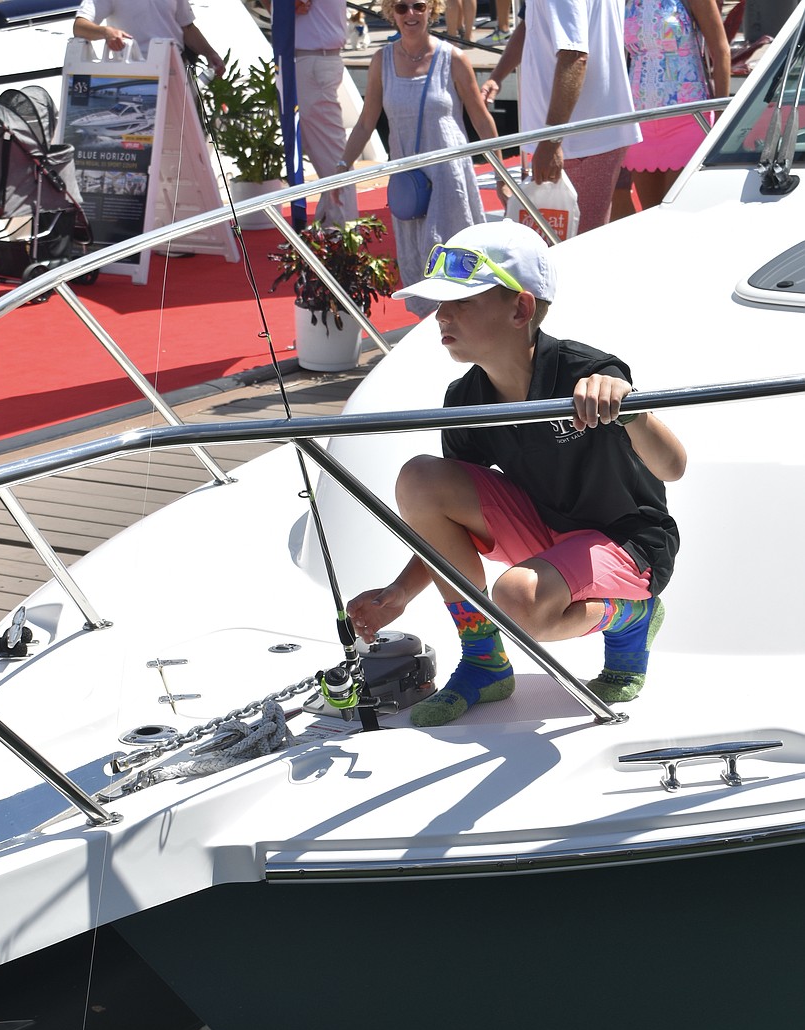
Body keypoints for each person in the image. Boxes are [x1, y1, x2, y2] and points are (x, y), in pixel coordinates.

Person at [347, 220, 686, 727]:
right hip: (549, 539)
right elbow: (444, 529)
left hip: (631, 544)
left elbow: (673, 468)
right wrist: (399, 594)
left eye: (461, 301)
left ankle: (635, 618)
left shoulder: (588, 373)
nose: (442, 314)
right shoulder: (464, 400)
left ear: (520, 308)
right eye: (441, 303)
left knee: (515, 597)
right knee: (421, 477)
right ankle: (485, 661)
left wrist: (631, 410)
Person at [335, 0, 502, 317]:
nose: (410, 14)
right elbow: (366, 121)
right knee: (418, 265)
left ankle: (470, 339)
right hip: (409, 183)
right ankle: (435, 339)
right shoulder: (381, 62)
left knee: (456, 263)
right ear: (390, 13)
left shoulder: (453, 58)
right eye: (401, 8)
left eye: (418, 6)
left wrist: (501, 176)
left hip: (448, 179)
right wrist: (343, 166)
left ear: (432, 9)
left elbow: (481, 120)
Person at [480, 0, 640, 233]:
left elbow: (574, 56)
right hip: (582, 137)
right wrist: (497, 75)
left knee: (576, 251)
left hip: (577, 142)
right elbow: (531, 25)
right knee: (576, 245)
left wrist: (552, 139)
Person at [625, 0, 731, 209]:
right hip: (640, 124)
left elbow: (721, 52)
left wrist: (721, 119)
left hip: (688, 118)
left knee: (680, 213)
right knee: (650, 219)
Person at [293, 0, 360, 225]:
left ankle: (344, 231)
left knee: (332, 154)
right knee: (323, 150)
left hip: (312, 60)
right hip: (310, 60)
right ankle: (333, 226)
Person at [73, 0, 225, 75]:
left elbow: (187, 28)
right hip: (137, 78)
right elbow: (79, 27)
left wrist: (209, 53)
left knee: (183, 135)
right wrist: (106, 32)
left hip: (177, 73)